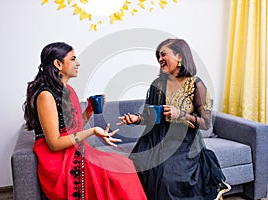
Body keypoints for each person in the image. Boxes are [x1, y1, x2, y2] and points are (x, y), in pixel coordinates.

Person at [23, 42, 147, 200]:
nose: (78, 63)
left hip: (74, 149)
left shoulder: (68, 90)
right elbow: (54, 143)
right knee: (118, 172)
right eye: (73, 59)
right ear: (58, 64)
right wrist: (92, 131)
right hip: (57, 159)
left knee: (125, 165)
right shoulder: (46, 96)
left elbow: (73, 128)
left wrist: (89, 110)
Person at [118, 38, 231, 200]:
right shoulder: (157, 84)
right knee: (135, 169)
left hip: (182, 143)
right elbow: (149, 116)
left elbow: (206, 123)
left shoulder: (196, 85)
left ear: (180, 56)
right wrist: (135, 118)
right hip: (153, 139)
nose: (159, 59)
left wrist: (181, 115)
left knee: (166, 178)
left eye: (163, 54)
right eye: (158, 56)